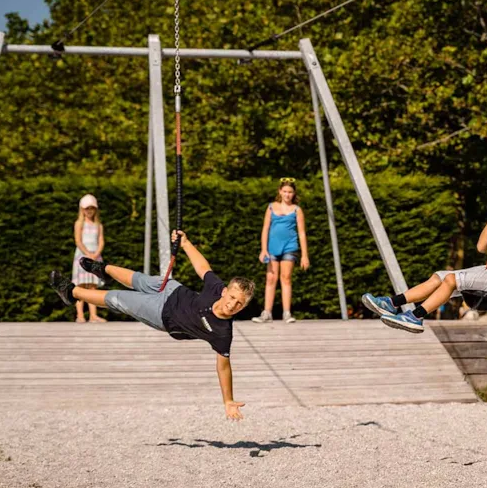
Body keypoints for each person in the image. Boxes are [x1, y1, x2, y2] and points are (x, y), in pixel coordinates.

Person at [49, 231, 254, 420]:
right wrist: (185, 243)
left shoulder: (222, 332)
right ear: (225, 291)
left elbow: (224, 367)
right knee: (138, 278)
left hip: (163, 314)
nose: (233, 305)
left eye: (240, 304)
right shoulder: (216, 288)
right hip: (172, 290)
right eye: (233, 297)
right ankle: (103, 269)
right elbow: (203, 268)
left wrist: (228, 400)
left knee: (120, 298)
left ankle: (70, 292)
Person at [362, 176, 487, 333]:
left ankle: (415, 317)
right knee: (439, 277)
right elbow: (482, 247)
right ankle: (392, 303)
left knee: (451, 279)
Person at [252, 177, 310, 324]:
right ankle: (267, 313)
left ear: (294, 193)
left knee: (286, 278)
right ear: (280, 191)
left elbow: (302, 233)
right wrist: (263, 249)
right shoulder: (271, 207)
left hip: (289, 247)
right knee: (271, 278)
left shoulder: (297, 210)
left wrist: (304, 255)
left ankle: (286, 313)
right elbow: (265, 229)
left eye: (290, 192)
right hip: (272, 248)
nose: (287, 194)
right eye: (284, 191)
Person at [72, 194, 106, 323]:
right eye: (87, 208)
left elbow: (101, 241)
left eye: (92, 208)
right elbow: (78, 241)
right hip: (82, 257)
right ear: (82, 209)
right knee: (80, 286)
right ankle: (80, 315)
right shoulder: (79, 223)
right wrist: (87, 253)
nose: (89, 211)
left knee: (92, 286)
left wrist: (96, 254)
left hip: (95, 257)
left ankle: (93, 315)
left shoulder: (98, 225)